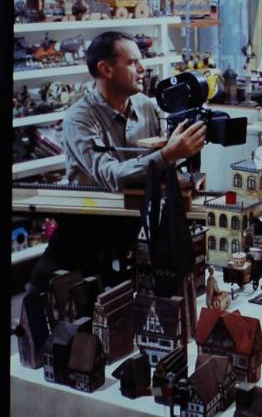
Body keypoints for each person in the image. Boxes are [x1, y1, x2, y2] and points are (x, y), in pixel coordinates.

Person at [28, 31, 206, 293]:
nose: (143, 68)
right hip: (88, 220)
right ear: (105, 69)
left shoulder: (145, 106)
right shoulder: (79, 118)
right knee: (41, 290)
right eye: (132, 62)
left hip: (134, 218)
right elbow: (110, 175)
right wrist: (168, 154)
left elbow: (165, 156)